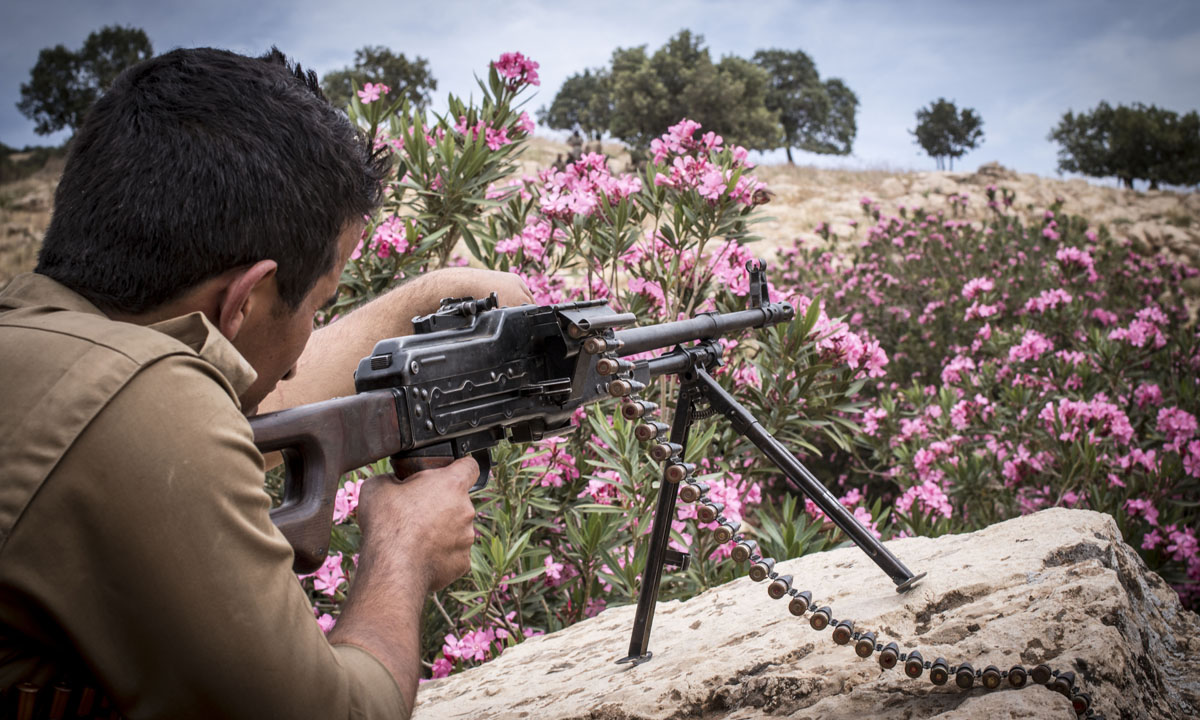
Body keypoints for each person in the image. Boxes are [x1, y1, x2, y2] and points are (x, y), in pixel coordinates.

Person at [0, 47, 532, 719]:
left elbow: (252, 391)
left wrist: (436, 295)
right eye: (318, 306)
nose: (303, 348)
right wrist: (403, 551)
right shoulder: (150, 408)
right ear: (245, 300)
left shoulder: (40, 345)